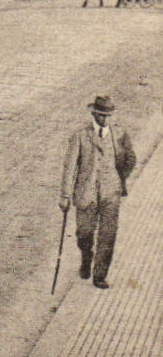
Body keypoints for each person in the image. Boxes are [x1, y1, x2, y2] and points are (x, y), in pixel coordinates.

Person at [59, 96, 135, 290]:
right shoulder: (80, 135)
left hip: (111, 194)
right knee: (84, 233)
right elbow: (70, 167)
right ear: (94, 114)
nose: (105, 120)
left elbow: (131, 159)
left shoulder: (119, 134)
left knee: (108, 235)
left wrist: (119, 178)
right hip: (86, 194)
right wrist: (65, 196)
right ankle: (86, 257)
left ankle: (100, 275)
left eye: (108, 116)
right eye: (101, 116)